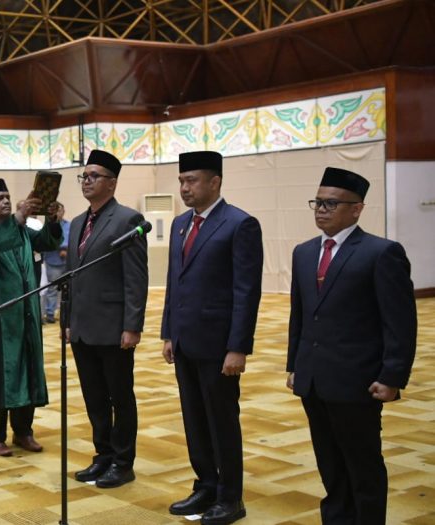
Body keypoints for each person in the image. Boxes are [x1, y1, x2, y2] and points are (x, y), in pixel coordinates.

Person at [287, 168, 417, 524]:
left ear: (357, 209)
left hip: (357, 381)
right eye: (317, 202)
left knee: (362, 464)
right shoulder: (304, 252)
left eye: (331, 203)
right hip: (313, 379)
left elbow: (400, 323)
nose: (321, 210)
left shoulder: (381, 252)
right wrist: (294, 366)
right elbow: (300, 316)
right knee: (328, 461)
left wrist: (392, 375)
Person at [161, 151, 262, 525]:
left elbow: (246, 290)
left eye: (192, 180)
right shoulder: (180, 224)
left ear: (215, 182)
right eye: (181, 181)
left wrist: (238, 347)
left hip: (220, 346)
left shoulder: (240, 224)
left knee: (221, 420)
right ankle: (205, 484)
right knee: (194, 418)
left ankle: (230, 496)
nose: (185, 188)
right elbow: (176, 282)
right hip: (185, 341)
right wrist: (169, 331)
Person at [65, 150, 148, 488]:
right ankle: (102, 455)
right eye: (83, 176)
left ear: (111, 183)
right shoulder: (76, 223)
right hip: (82, 328)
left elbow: (136, 278)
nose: (86, 181)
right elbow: (71, 276)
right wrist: (67, 322)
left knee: (120, 397)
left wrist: (132, 326)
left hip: (114, 328)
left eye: (93, 176)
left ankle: (123, 462)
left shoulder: (128, 219)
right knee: (94, 397)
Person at [0, 178, 62, 457]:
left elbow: (47, 241)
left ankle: (24, 431)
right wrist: (20, 217)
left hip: (25, 314)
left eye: (9, 197)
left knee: (28, 368)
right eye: (0, 198)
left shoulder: (21, 231)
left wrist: (52, 220)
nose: (7, 201)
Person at [40, 203, 69, 323]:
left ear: (64, 211)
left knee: (67, 289)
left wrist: (66, 249)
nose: (58, 213)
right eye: (56, 211)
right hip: (53, 261)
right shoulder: (48, 226)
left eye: (60, 210)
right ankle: (50, 313)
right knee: (52, 288)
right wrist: (61, 247)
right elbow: (48, 241)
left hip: (68, 262)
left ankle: (65, 315)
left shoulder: (70, 225)